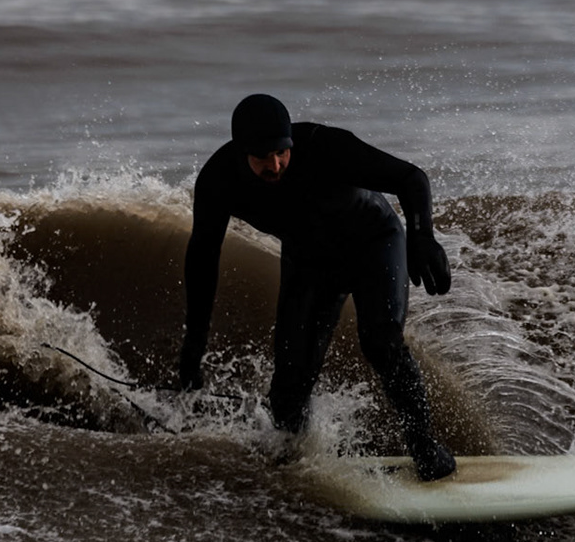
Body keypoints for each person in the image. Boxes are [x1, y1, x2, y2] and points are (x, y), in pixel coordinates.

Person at [177, 93, 459, 481]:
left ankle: (425, 448)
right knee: (288, 387)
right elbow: (203, 259)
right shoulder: (219, 181)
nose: (275, 165)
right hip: (309, 264)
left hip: (373, 244)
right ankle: (297, 461)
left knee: (381, 342)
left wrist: (422, 236)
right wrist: (194, 345)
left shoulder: (324, 147)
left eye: (281, 152)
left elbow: (411, 179)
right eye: (263, 157)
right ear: (241, 152)